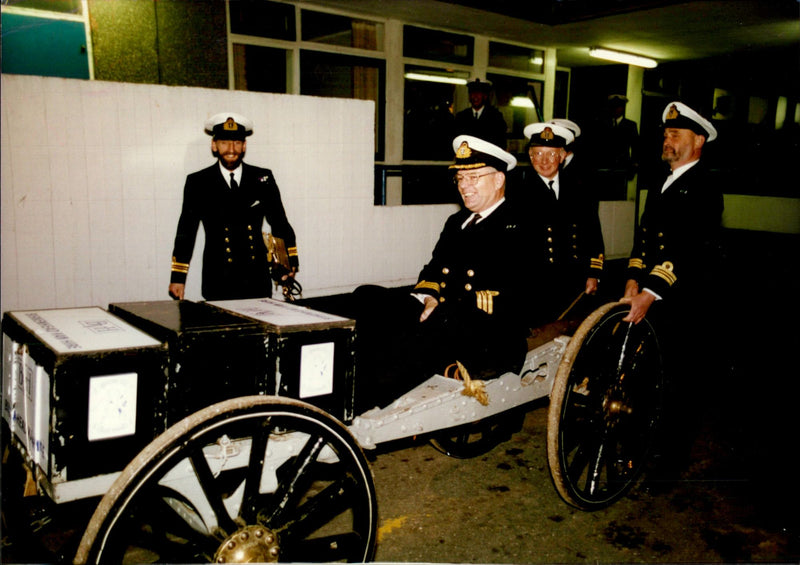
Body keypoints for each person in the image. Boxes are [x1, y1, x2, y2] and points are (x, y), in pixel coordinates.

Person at [353, 135, 530, 410]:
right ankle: (348, 384)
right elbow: (434, 268)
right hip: (444, 313)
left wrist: (445, 305)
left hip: (488, 331)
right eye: (460, 179)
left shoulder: (519, 225)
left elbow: (517, 295)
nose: (464, 187)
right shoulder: (456, 222)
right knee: (366, 297)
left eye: (473, 177)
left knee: (412, 337)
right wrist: (429, 296)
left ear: (498, 179)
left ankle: (364, 405)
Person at [620, 101, 724, 476]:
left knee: (677, 388)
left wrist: (650, 292)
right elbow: (644, 239)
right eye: (666, 134)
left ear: (698, 141)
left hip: (684, 304)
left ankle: (666, 465)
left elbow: (687, 249)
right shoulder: (661, 183)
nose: (668, 140)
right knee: (644, 378)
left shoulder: (705, 186)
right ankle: (637, 449)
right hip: (652, 295)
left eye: (676, 135)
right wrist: (633, 277)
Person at [168, 112, 299, 301]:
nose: (231, 149)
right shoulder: (198, 182)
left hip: (256, 277)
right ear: (214, 145)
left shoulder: (262, 178)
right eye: (224, 142)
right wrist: (178, 278)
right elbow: (186, 232)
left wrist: (289, 262)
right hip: (219, 279)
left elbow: (280, 222)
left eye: (237, 142)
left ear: (244, 146)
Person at [517, 121, 605, 325]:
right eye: (538, 154)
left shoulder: (579, 188)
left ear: (563, 155)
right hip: (535, 288)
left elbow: (593, 233)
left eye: (551, 154)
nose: (544, 160)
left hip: (574, 283)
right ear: (530, 156)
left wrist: (594, 273)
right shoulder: (518, 192)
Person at [454, 79, 507, 148]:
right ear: (469, 97)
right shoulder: (461, 117)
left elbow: (501, 142)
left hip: (487, 157)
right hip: (466, 156)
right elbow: (456, 140)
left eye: (478, 94)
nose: (475, 97)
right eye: (472, 93)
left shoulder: (495, 117)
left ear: (485, 96)